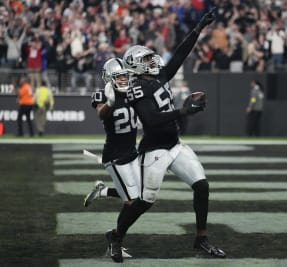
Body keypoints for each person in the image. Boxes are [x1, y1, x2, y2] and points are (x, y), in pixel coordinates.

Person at [108, 7, 224, 262]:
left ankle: (201, 238)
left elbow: (181, 53)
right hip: (155, 149)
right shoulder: (135, 88)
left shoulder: (159, 75)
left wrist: (198, 29)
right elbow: (150, 119)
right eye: (147, 59)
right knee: (143, 202)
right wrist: (183, 111)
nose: (153, 61)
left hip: (174, 144)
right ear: (136, 65)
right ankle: (116, 236)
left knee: (202, 186)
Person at [88, 57, 141, 262]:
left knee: (144, 197)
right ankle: (115, 238)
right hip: (115, 156)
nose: (123, 80)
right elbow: (101, 114)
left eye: (125, 76)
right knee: (132, 201)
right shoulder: (103, 94)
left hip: (132, 151)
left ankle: (102, 192)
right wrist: (110, 103)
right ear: (109, 78)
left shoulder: (132, 92)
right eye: (118, 76)